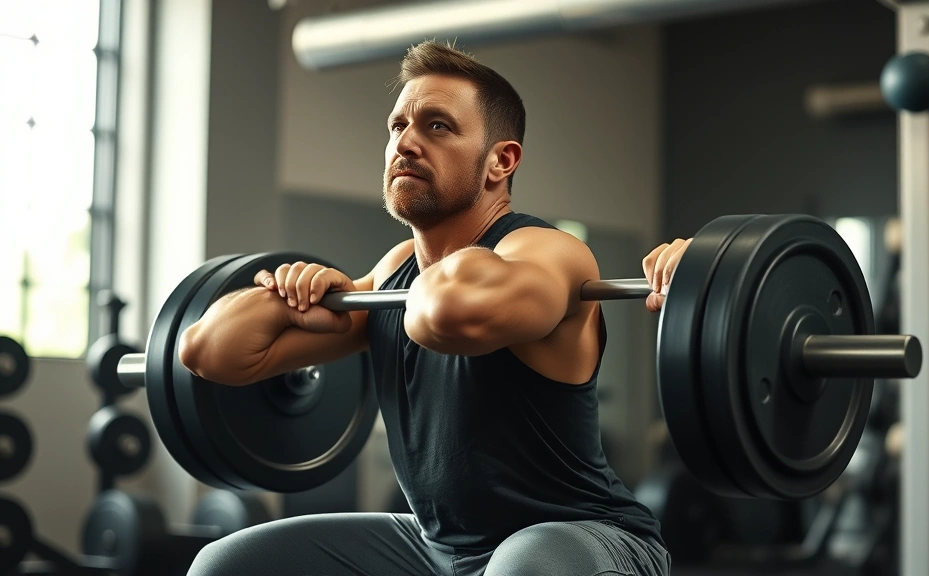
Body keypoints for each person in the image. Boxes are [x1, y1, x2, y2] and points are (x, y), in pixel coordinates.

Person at [180, 40, 690, 576]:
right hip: (438, 548)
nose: (405, 143)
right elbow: (208, 351)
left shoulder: (548, 251)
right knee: (226, 565)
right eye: (397, 126)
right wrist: (290, 294)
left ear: (501, 161)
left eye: (437, 126)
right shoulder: (395, 270)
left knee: (527, 566)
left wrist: (366, 300)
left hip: (583, 539)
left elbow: (446, 313)